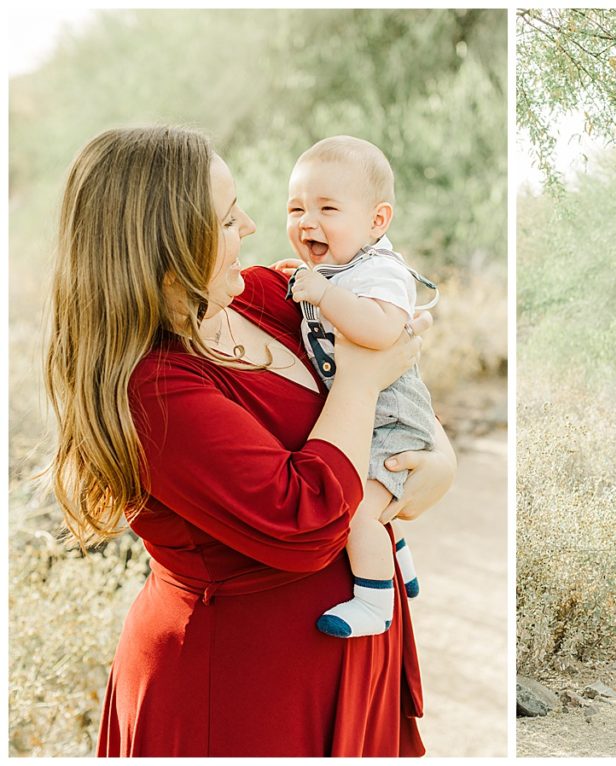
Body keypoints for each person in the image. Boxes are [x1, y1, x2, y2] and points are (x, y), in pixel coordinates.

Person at [43, 126, 456, 756]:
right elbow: (306, 517)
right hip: (243, 690)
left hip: (346, 661)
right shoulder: (151, 390)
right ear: (170, 240)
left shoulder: (261, 295)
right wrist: (363, 379)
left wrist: (439, 462)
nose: (255, 226)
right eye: (229, 216)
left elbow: (395, 371)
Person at [282, 135, 437, 639]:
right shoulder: (333, 268)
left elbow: (381, 333)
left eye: (328, 208)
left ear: (377, 221)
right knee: (367, 496)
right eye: (297, 208)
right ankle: (397, 556)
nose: (308, 221)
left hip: (393, 416)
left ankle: (375, 604)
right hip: (366, 413)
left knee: (356, 513)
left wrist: (323, 293)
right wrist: (312, 282)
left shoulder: (382, 272)